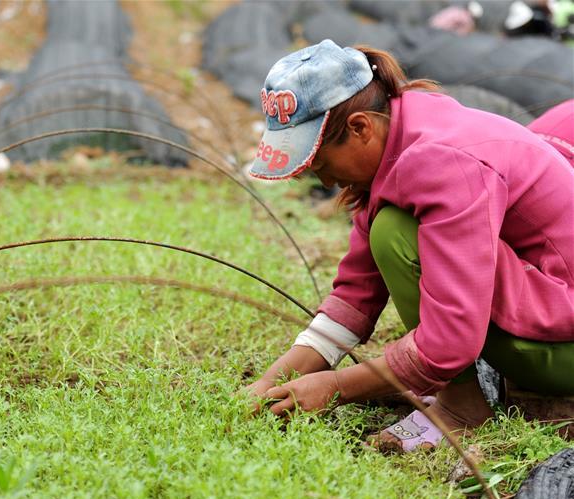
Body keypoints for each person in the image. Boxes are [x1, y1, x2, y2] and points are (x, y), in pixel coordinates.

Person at [241, 39, 574, 452]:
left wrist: (335, 387)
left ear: (361, 127)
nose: (324, 182)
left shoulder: (441, 162)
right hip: (549, 322)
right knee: (390, 228)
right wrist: (273, 382)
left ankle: (461, 409)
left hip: (563, 352)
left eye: (321, 163)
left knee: (396, 232)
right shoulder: (403, 132)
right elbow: (357, 293)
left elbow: (448, 343)